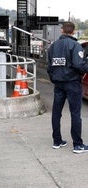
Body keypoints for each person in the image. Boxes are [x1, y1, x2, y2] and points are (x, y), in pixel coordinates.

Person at [47, 21, 88, 154]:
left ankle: (57, 141)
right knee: (75, 114)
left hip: (58, 84)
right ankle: (77, 145)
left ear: (61, 30)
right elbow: (79, 65)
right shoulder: (75, 45)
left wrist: (54, 79)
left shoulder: (53, 46)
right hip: (72, 84)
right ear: (74, 31)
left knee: (56, 113)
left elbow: (50, 67)